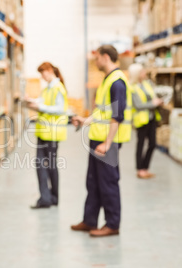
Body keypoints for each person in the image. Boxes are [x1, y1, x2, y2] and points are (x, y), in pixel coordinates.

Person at [70, 45, 132, 237]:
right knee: (93, 182)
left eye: (97, 58)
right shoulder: (107, 80)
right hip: (97, 139)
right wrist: (85, 120)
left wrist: (107, 143)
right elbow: (102, 113)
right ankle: (90, 220)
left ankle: (112, 224)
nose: (95, 62)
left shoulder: (117, 82)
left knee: (108, 183)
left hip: (107, 143)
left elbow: (117, 116)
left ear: (105, 57)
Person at [25, 62, 68, 209]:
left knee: (46, 166)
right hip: (44, 132)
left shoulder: (57, 87)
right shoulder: (49, 87)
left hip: (51, 133)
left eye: (43, 73)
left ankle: (47, 198)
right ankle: (51, 198)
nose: (42, 77)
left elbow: (60, 109)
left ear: (50, 71)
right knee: (48, 166)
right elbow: (44, 102)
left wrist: (39, 107)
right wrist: (33, 102)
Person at [128, 63, 163, 179]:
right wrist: (153, 104)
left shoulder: (147, 84)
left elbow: (152, 95)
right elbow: (138, 105)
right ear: (137, 74)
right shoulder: (132, 87)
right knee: (141, 144)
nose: (144, 73)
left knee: (153, 144)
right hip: (141, 120)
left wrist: (158, 101)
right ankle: (140, 170)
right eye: (142, 71)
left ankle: (145, 168)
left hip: (152, 117)